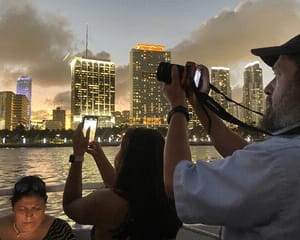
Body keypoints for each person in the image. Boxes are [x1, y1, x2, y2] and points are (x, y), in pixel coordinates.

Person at [163, 34, 300, 239]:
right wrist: (198, 103)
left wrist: (177, 108)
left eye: (279, 75)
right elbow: (245, 153)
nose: (268, 88)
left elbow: (176, 182)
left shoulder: (280, 160)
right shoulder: (286, 154)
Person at [63, 125, 182, 240]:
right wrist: (99, 156)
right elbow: (124, 187)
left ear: (127, 158)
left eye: (121, 148)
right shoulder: (171, 199)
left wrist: (78, 157)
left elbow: (71, 205)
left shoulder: (105, 201)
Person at [0, 175, 76, 240]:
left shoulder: (59, 230)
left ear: (44, 207)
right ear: (13, 207)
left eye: (36, 208)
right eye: (22, 209)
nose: (29, 215)